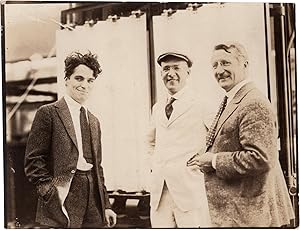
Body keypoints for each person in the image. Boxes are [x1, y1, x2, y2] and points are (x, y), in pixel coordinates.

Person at [187, 42, 295, 227]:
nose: (219, 70)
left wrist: (213, 161)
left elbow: (260, 158)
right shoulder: (235, 98)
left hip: (251, 215)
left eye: (225, 63)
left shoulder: (253, 102)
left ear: (244, 64)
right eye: (215, 65)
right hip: (241, 212)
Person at [24, 51, 117, 228]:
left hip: (92, 198)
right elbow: (33, 161)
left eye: (90, 81)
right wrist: (50, 194)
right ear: (67, 79)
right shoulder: (49, 113)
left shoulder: (94, 121)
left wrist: (105, 205)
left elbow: (98, 167)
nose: (85, 85)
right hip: (63, 194)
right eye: (79, 78)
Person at [146, 52, 211, 228]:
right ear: (160, 74)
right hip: (160, 194)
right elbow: (150, 142)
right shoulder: (158, 107)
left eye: (177, 68)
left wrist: (200, 164)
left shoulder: (201, 103)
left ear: (188, 72)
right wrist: (157, 165)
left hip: (190, 192)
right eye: (166, 69)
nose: (171, 73)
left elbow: (217, 139)